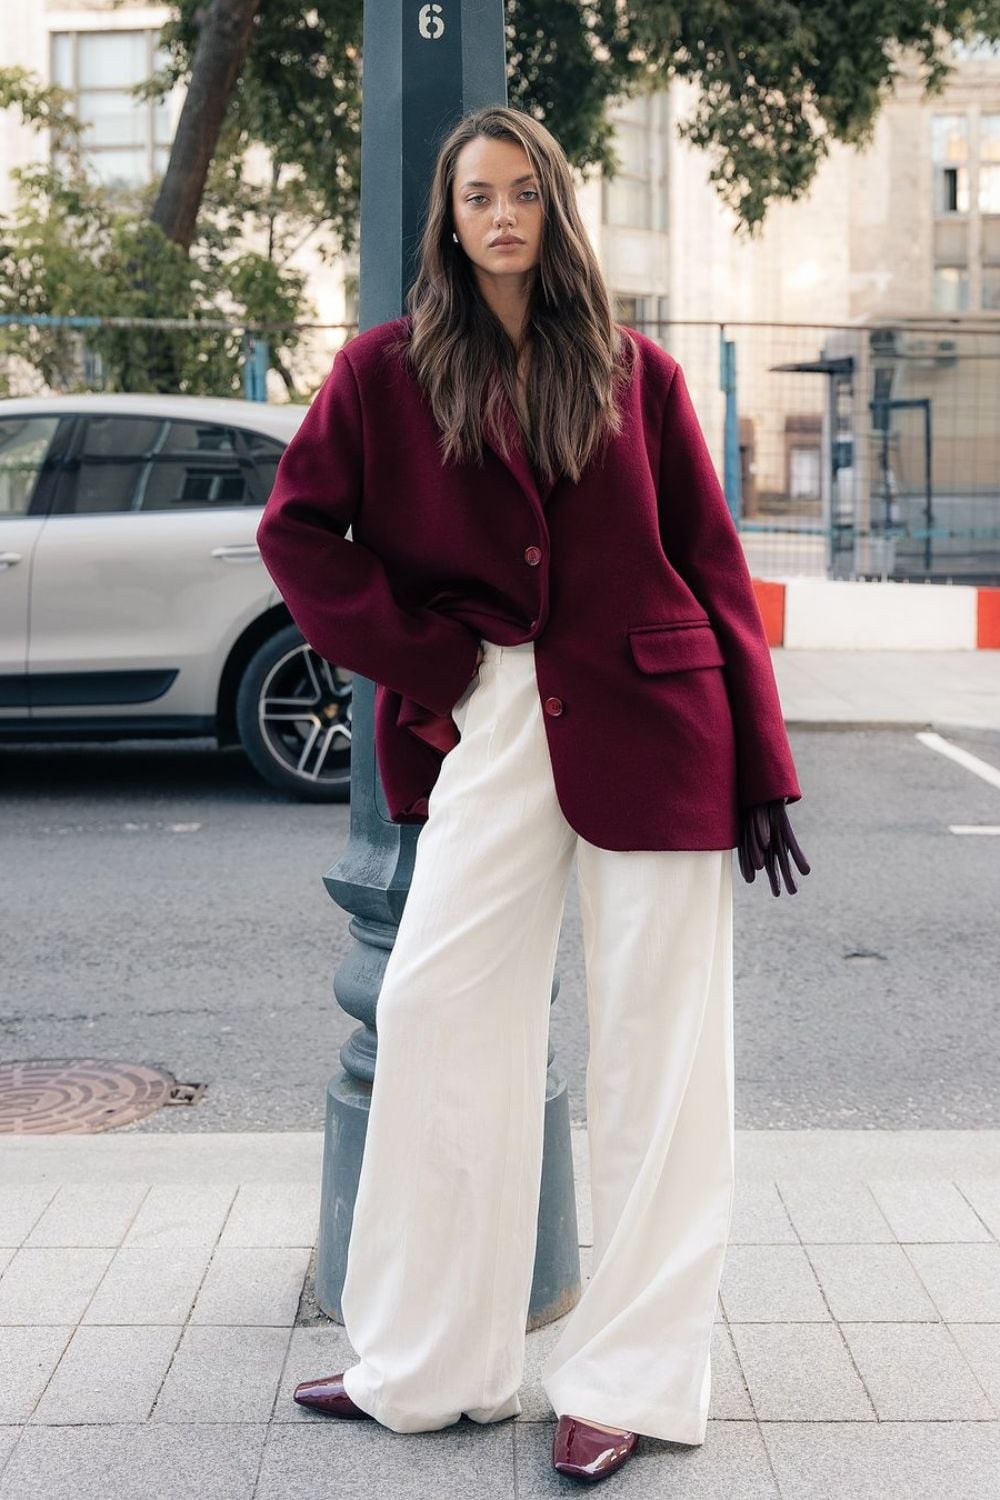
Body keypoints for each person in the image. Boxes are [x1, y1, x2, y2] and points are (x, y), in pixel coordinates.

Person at [256, 103, 809, 1486]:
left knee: (656, 1064)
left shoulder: (636, 373)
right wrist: (429, 657)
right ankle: (428, 1364)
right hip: (488, 719)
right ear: (448, 220)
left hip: (660, 723)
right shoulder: (386, 371)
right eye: (476, 195)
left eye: (523, 191)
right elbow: (296, 533)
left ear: (557, 208)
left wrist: (763, 767)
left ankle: (624, 1380)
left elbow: (714, 569)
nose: (500, 214)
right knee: (438, 1014)